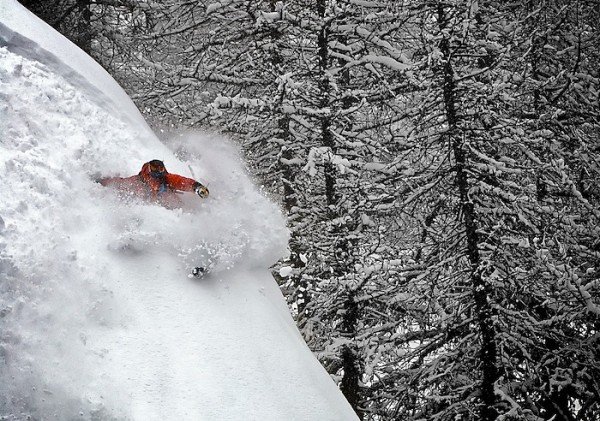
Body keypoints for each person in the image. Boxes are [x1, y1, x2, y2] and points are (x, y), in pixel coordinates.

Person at [98, 159, 209, 208]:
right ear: (149, 169)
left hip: (174, 210)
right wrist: (101, 182)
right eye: (155, 168)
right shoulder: (138, 182)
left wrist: (197, 187)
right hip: (151, 213)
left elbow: (181, 181)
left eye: (161, 168)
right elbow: (119, 183)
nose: (159, 171)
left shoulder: (166, 179)